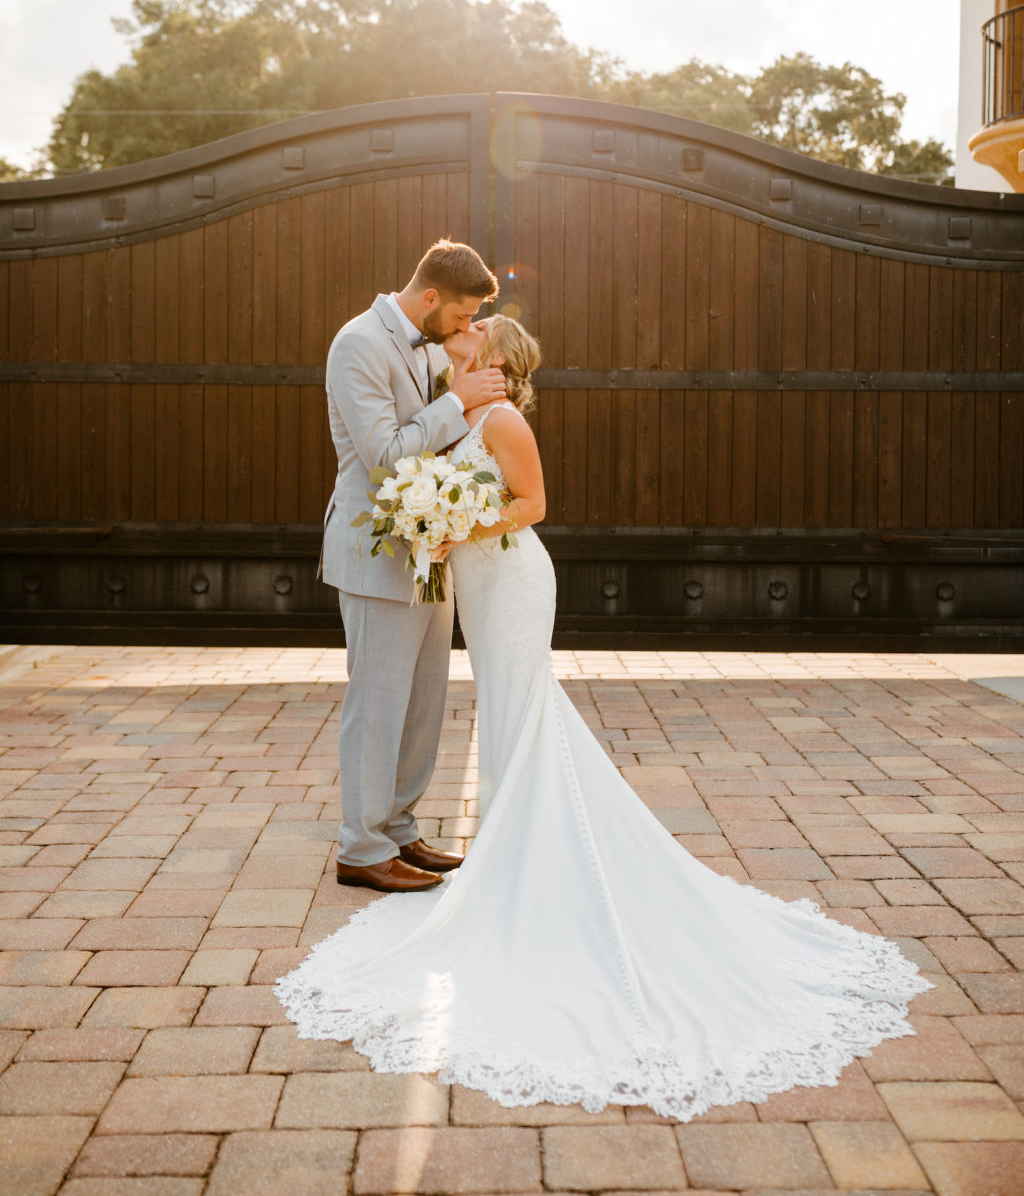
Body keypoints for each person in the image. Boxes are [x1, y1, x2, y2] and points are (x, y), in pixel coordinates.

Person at [279, 314, 930, 1120]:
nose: (461, 333)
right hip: (472, 585)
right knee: (505, 715)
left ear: (496, 359)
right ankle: (512, 844)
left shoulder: (505, 418)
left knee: (522, 709)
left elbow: (535, 504)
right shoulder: (454, 412)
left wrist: (454, 525)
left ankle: (531, 859)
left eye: (475, 330)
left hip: (511, 583)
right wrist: (442, 524)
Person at [320, 239, 503, 894]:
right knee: (379, 703)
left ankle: (398, 829)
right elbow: (386, 455)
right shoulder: (358, 345)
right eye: (460, 316)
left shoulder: (431, 344)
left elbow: (442, 444)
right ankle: (361, 848)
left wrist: (460, 370)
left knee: (424, 699)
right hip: (377, 552)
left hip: (431, 547)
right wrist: (458, 398)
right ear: (430, 297)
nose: (465, 327)